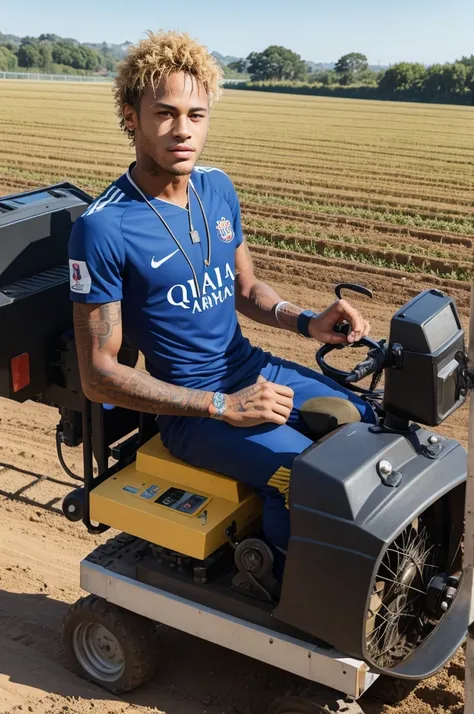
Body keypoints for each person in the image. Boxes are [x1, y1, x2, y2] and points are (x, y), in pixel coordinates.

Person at [68, 31, 374, 564]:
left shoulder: (217, 189)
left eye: (197, 114)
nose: (183, 131)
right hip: (194, 412)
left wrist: (306, 321)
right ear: (131, 115)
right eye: (165, 114)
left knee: (369, 426)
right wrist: (222, 407)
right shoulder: (104, 228)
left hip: (253, 369)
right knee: (309, 481)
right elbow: (98, 375)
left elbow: (246, 288)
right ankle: (279, 602)